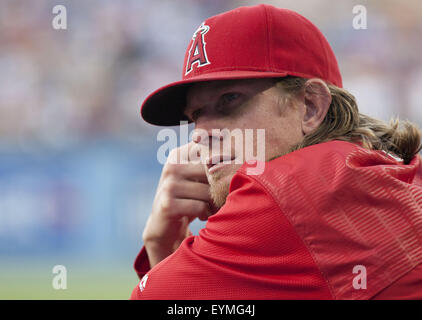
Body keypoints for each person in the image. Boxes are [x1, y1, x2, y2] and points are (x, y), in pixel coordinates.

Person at [130, 4, 422, 300]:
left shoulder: (285, 192)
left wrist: (160, 244)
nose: (201, 134)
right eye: (195, 115)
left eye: (230, 99)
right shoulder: (387, 171)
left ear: (311, 106)